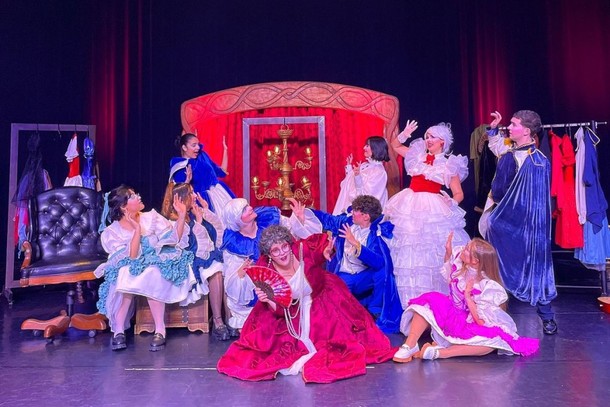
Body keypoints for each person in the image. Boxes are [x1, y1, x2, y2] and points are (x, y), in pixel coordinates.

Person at [217, 225, 396, 383]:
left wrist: (326, 252)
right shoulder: (267, 271)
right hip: (290, 311)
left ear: (289, 244)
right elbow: (280, 311)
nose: (282, 253)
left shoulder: (301, 249)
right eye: (275, 251)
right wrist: (268, 300)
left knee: (343, 339)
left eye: (284, 246)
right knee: (269, 349)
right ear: (269, 254)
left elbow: (322, 243)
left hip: (322, 299)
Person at [393, 235, 539, 363]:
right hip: (453, 315)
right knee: (428, 301)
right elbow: (450, 275)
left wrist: (468, 297)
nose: (463, 249)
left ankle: (440, 353)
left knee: (492, 343)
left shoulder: (486, 285)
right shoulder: (462, 268)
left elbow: (481, 322)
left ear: (475, 261)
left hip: (472, 321)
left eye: (467, 249)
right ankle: (410, 345)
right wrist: (448, 252)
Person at [478, 110, 558, 335]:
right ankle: (492, 318)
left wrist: (529, 230)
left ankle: (546, 316)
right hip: (503, 224)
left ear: (527, 131)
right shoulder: (510, 152)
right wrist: (494, 128)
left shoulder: (538, 162)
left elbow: (537, 203)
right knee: (496, 270)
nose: (510, 128)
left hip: (523, 227)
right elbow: (497, 146)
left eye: (514, 125)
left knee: (533, 268)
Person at [94, 185, 196, 351]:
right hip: (131, 262)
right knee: (124, 273)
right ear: (124, 207)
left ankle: (160, 329)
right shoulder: (112, 232)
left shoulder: (151, 217)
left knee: (153, 273)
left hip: (154, 260)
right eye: (133, 196)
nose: (139, 196)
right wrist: (136, 229)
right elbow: (133, 256)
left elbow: (174, 239)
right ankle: (119, 330)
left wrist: (182, 214)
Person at [384, 120, 470, 308]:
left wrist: (452, 202)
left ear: (442, 142)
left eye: (433, 137)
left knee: (432, 249)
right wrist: (404, 133)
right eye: (427, 136)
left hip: (433, 206)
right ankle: (409, 300)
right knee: (409, 247)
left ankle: (435, 302)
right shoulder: (417, 156)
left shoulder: (449, 164)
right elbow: (395, 146)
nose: (428, 140)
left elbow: (459, 193)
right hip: (410, 203)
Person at [291, 195, 402, 333]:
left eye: (356, 211)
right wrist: (305, 214)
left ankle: (375, 310)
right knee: (337, 310)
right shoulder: (346, 222)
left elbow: (379, 263)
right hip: (345, 275)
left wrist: (355, 243)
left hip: (363, 277)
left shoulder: (375, 234)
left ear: (366, 216)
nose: (352, 212)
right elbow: (327, 219)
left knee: (382, 273)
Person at [219, 197, 307, 334]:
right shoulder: (234, 243)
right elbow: (232, 279)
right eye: (244, 209)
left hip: (283, 273)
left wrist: (299, 220)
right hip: (257, 288)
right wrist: (241, 272)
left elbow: (292, 237)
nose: (250, 208)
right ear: (237, 219)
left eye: (248, 205)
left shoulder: (269, 219)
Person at [161, 182, 231, 341]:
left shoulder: (191, 215)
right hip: (185, 260)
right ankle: (218, 321)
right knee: (216, 269)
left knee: (226, 265)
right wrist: (197, 221)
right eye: (191, 193)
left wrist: (204, 212)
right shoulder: (173, 221)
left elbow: (214, 237)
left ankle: (229, 318)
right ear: (181, 198)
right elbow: (184, 245)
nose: (194, 196)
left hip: (198, 256)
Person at [168, 132, 235, 216]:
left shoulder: (202, 157)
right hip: (198, 201)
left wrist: (225, 150)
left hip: (218, 196)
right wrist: (187, 180)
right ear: (184, 147)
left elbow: (222, 172)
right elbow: (180, 192)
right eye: (194, 145)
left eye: (198, 144)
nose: (198, 147)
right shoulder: (180, 165)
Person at [333, 136, 390, 215]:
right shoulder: (365, 165)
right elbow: (349, 185)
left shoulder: (379, 172)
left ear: (376, 148)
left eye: (367, 146)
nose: (364, 148)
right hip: (348, 206)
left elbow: (368, 198)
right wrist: (349, 168)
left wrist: (357, 177)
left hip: (361, 214)